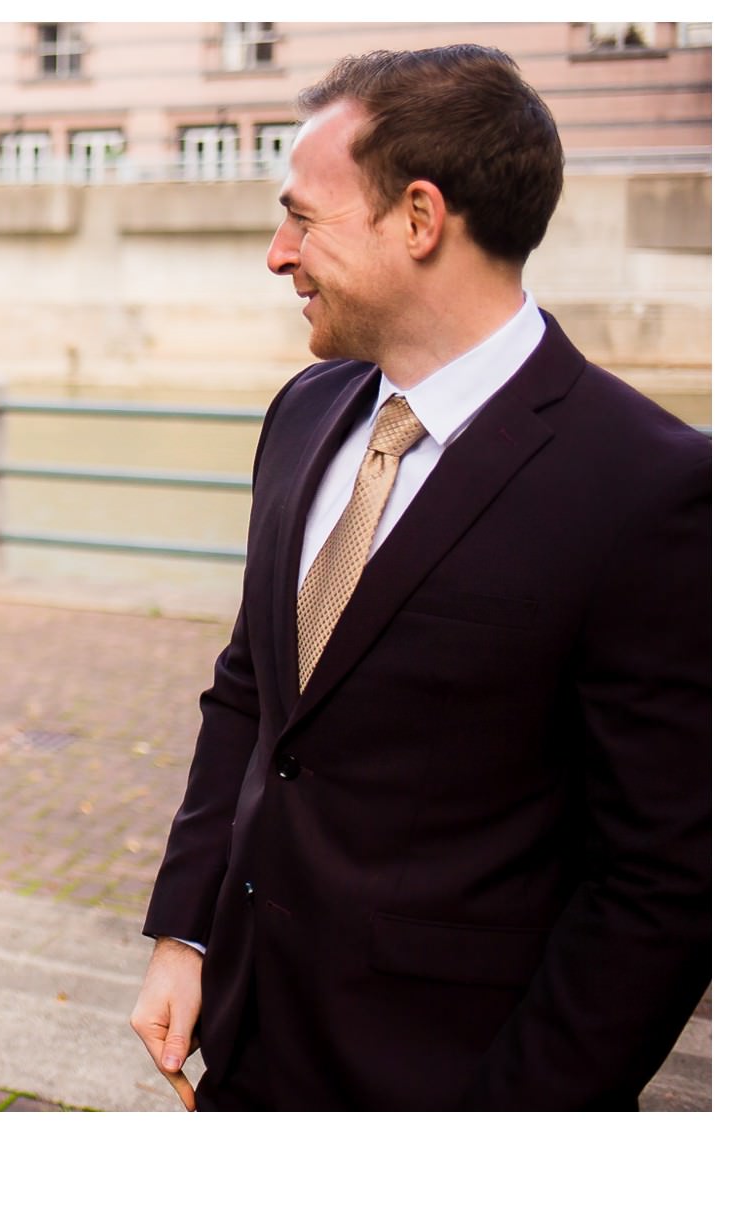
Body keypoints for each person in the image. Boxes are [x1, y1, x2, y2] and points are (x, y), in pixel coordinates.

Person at [130, 46, 709, 1111]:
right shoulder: (302, 414)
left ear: (418, 218)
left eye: (303, 218)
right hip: (247, 1041)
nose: (276, 253)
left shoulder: (650, 485)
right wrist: (188, 930)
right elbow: (250, 692)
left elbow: (662, 882)